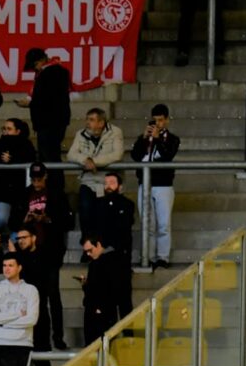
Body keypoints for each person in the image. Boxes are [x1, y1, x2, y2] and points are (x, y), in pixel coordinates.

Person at [0, 224, 65, 351]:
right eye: (18, 238)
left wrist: (58, 335)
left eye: (24, 237)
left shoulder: (46, 255)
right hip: (16, 318)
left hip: (40, 312)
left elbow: (54, 298)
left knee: (42, 358)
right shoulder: (17, 254)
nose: (21, 241)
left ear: (34, 238)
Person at [129, 104, 179, 269]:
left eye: (160, 120)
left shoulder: (173, 139)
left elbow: (167, 155)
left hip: (163, 184)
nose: (157, 123)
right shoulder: (145, 138)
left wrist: (157, 138)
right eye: (154, 120)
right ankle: (148, 256)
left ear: (167, 120)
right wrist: (144, 138)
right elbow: (135, 156)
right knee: (147, 223)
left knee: (164, 223)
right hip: (145, 183)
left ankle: (162, 257)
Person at [67, 108, 124, 240]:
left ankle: (103, 245)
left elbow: (117, 154)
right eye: (87, 119)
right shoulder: (80, 134)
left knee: (105, 215)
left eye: (91, 120)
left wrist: (94, 162)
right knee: (85, 210)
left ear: (101, 122)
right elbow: (71, 154)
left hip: (108, 181)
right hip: (88, 180)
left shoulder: (115, 132)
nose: (87, 123)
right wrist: (85, 160)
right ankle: (87, 243)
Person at [15, 49, 71, 162]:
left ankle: (53, 180)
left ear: (43, 59)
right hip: (49, 122)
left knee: (49, 158)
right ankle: (51, 179)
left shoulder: (54, 72)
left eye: (35, 64)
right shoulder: (52, 72)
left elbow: (50, 98)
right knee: (48, 156)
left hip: (50, 122)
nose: (34, 68)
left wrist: (31, 103)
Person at [0, 117, 36, 236]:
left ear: (18, 131)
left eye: (9, 129)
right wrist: (0, 158)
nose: (5, 131)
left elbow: (30, 158)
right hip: (2, 191)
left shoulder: (26, 145)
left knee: (18, 227)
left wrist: (13, 159)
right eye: (4, 128)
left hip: (20, 192)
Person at [78, 236, 132, 343]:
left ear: (98, 245)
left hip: (102, 312)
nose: (88, 254)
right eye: (86, 252)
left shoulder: (107, 262)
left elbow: (111, 290)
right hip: (99, 311)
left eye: (90, 250)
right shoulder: (99, 262)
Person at [9, 161, 71, 251]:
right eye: (34, 180)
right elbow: (11, 223)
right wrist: (24, 221)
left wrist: (47, 219)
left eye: (39, 180)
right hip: (28, 243)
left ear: (45, 176)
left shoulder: (57, 194)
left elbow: (68, 222)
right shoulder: (23, 195)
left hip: (50, 241)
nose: (36, 183)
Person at [90, 172, 137, 262]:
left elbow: (123, 227)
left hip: (119, 251)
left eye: (112, 183)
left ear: (120, 187)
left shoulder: (127, 204)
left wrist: (106, 246)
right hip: (100, 251)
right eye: (106, 183)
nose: (108, 186)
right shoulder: (97, 204)